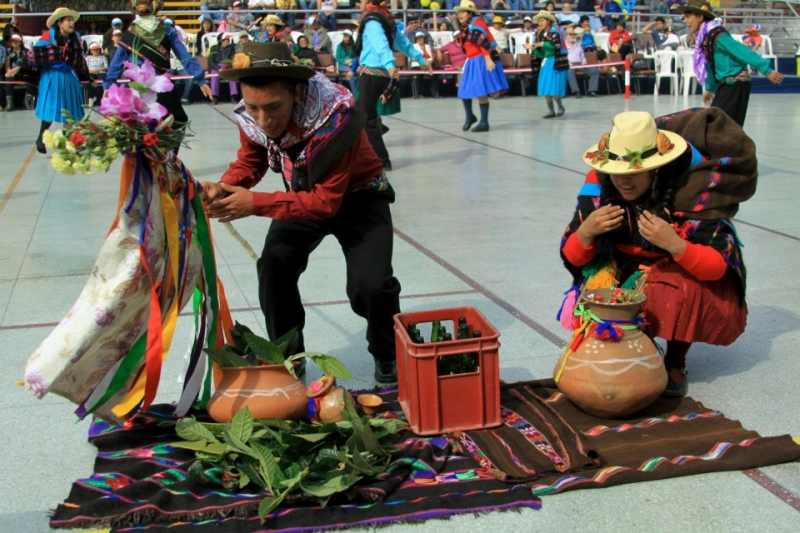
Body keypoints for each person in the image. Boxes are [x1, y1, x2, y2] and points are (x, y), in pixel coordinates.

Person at [201, 42, 401, 384]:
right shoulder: (254, 115)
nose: (263, 120)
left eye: (273, 107)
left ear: (297, 91)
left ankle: (388, 354)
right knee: (274, 268)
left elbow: (325, 203)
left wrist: (254, 203)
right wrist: (225, 186)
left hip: (360, 200)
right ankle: (290, 357)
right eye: (253, 108)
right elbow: (252, 158)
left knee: (371, 286)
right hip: (302, 196)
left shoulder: (337, 118)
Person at [561, 109, 754, 398]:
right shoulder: (598, 187)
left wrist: (676, 245)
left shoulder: (691, 188)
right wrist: (587, 233)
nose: (624, 182)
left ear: (657, 168)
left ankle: (675, 360)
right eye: (617, 173)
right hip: (623, 265)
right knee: (598, 292)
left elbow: (718, 267)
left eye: (635, 173)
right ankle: (641, 345)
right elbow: (574, 257)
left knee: (677, 290)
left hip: (672, 270)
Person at [104, 1, 213, 139]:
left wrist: (200, 78)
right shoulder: (140, 34)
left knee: (156, 128)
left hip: (150, 88)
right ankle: (158, 159)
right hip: (150, 89)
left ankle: (158, 159)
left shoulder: (154, 32)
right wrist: (200, 78)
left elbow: (116, 63)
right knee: (161, 127)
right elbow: (184, 56)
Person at [678, 0, 782, 127]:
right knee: (717, 124)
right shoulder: (705, 39)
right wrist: (709, 88)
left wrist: (765, 69)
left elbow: (741, 50)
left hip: (736, 83)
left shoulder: (718, 35)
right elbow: (710, 65)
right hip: (727, 84)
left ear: (700, 17)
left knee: (723, 126)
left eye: (688, 16)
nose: (685, 21)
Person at [355, 0, 431, 169]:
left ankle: (382, 160)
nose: (359, 4)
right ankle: (370, 150)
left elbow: (380, 43)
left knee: (365, 118)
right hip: (377, 74)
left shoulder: (372, 20)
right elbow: (402, 42)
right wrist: (420, 59)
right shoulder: (384, 17)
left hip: (372, 73)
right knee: (362, 115)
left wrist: (390, 64)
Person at [31, 7, 89, 154]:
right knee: (52, 107)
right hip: (52, 75)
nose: (71, 23)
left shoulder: (75, 39)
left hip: (69, 76)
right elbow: (35, 55)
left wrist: (87, 76)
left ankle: (67, 146)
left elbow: (78, 59)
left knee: (69, 111)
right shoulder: (47, 37)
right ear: (60, 23)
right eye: (68, 20)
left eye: (72, 20)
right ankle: (40, 137)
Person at [455, 0, 508, 133]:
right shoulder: (468, 25)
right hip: (471, 60)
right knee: (463, 90)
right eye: (459, 12)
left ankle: (484, 122)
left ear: (469, 13)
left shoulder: (476, 23)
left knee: (480, 92)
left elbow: (483, 42)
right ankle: (470, 116)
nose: (460, 15)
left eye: (462, 12)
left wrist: (487, 58)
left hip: (479, 60)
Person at [528, 10, 567, 118]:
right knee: (546, 87)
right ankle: (551, 110)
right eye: (539, 21)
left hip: (554, 61)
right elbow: (541, 53)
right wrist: (533, 48)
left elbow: (555, 46)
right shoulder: (541, 35)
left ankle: (560, 106)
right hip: (546, 62)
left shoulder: (555, 32)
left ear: (549, 22)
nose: (540, 23)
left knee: (553, 86)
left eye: (542, 20)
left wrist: (541, 43)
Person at [4, 34, 37, 111]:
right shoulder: (8, 51)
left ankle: (26, 101)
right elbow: (7, 66)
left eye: (16, 41)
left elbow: (29, 63)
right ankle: (10, 103)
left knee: (33, 79)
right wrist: (9, 71)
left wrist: (17, 68)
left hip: (25, 73)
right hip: (12, 74)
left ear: (20, 42)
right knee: (8, 78)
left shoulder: (26, 52)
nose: (14, 43)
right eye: (12, 41)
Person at [566, 28, 598, 98]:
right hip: (569, 64)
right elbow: (562, 56)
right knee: (569, 72)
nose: (572, 36)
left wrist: (584, 61)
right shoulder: (564, 46)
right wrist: (567, 63)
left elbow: (582, 56)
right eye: (570, 35)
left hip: (579, 64)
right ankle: (576, 91)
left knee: (595, 70)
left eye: (573, 35)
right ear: (567, 36)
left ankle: (591, 90)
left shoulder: (578, 45)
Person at [209, 33, 240, 103]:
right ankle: (215, 96)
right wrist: (218, 68)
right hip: (217, 66)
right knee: (214, 74)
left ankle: (234, 96)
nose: (228, 41)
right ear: (221, 41)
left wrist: (226, 66)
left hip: (227, 66)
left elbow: (233, 59)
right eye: (226, 39)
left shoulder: (232, 48)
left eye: (228, 39)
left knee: (232, 74)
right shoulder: (213, 48)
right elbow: (211, 62)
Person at [335, 29, 357, 94]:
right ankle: (355, 94)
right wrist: (345, 61)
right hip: (342, 66)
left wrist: (351, 60)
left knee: (354, 73)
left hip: (352, 64)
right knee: (351, 73)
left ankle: (357, 93)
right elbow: (337, 58)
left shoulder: (354, 45)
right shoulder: (339, 46)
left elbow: (357, 57)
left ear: (350, 36)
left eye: (346, 35)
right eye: (344, 35)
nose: (345, 37)